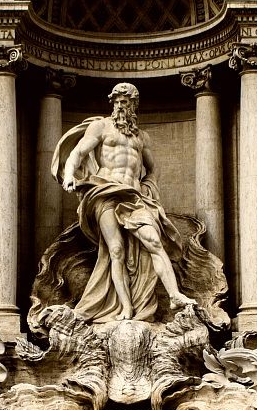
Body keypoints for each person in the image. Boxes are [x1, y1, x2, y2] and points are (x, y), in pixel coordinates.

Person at [53, 83, 197, 322]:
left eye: (126, 102)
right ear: (112, 103)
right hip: (105, 193)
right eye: (118, 101)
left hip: (133, 197)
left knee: (154, 240)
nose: (121, 106)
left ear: (134, 105)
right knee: (116, 250)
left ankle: (175, 295)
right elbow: (77, 154)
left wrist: (149, 187)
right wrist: (69, 175)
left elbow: (152, 169)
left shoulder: (142, 137)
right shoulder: (101, 127)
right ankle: (126, 308)